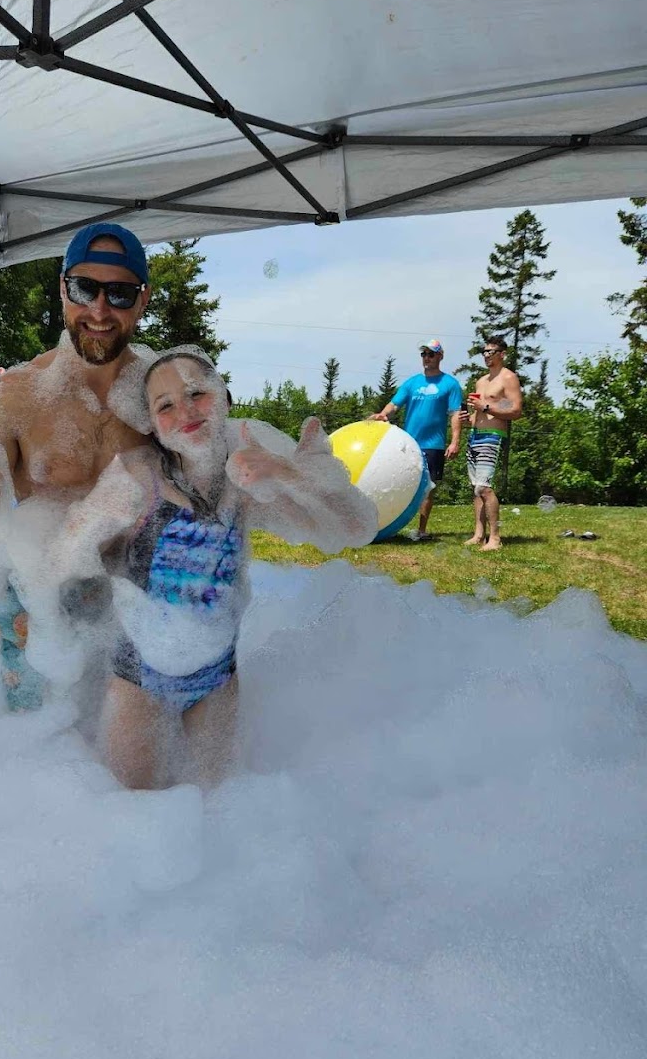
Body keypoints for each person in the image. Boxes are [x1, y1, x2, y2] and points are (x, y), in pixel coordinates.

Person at [48, 346, 377, 789]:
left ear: (223, 396)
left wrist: (287, 473)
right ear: (152, 425)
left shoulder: (249, 468)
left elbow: (355, 528)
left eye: (196, 393)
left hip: (217, 676)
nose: (184, 411)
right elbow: (66, 555)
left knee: (218, 806)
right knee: (128, 808)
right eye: (164, 406)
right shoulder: (136, 478)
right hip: (138, 677)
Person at [0, 223, 157, 710]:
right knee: (33, 746)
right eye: (84, 289)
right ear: (62, 289)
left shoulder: (161, 395)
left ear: (143, 299)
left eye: (119, 293)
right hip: (38, 605)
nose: (99, 310)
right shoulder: (17, 394)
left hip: (132, 603)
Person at [367, 339, 463, 540]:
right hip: (407, 444)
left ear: (440, 356)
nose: (427, 358)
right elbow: (394, 404)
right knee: (394, 482)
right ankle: (388, 523)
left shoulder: (450, 384)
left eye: (431, 354)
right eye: (424, 354)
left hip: (434, 445)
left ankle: (421, 531)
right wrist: (383, 414)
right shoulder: (412, 383)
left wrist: (455, 441)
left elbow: (455, 414)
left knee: (428, 488)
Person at [464, 335, 523, 551]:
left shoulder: (508, 378)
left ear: (502, 354)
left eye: (491, 352)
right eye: (484, 352)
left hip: (493, 436)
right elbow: (479, 412)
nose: (487, 356)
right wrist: (468, 418)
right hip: (475, 435)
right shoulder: (481, 381)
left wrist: (486, 407)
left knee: (484, 487)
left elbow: (515, 410)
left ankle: (495, 538)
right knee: (476, 489)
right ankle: (479, 535)